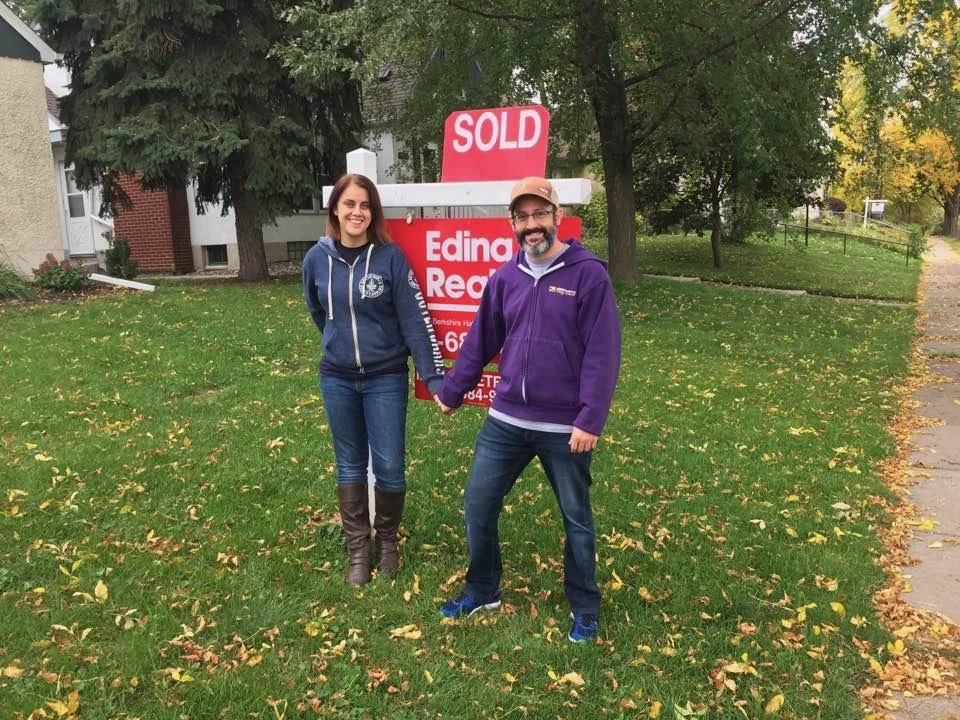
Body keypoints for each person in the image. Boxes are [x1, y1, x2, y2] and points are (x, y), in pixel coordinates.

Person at [435, 176, 621, 643]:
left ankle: (584, 605)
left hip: (564, 426)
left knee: (576, 518)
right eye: (523, 217)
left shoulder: (588, 275)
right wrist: (453, 390)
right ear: (512, 223)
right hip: (506, 421)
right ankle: (483, 590)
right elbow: (480, 340)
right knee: (478, 504)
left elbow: (602, 352)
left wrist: (590, 419)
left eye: (540, 214)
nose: (532, 224)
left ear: (558, 216)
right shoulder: (506, 278)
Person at [303, 173, 444, 586]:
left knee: (389, 465)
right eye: (349, 204)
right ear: (335, 209)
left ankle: (387, 543)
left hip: (385, 378)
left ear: (373, 212)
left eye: (365, 205)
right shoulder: (316, 259)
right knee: (349, 463)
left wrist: (434, 378)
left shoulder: (390, 259)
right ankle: (358, 551)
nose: (357, 212)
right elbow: (317, 311)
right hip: (337, 379)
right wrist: (337, 343)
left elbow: (414, 320)